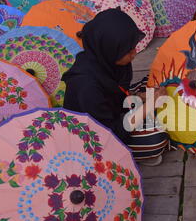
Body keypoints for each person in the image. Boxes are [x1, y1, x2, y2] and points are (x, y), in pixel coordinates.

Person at [62, 9, 169, 166]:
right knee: (156, 138)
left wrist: (139, 97)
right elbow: (110, 133)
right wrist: (149, 106)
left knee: (150, 83)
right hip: (98, 138)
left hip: (115, 111)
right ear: (109, 47)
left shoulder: (108, 60)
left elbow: (118, 94)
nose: (134, 53)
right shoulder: (86, 86)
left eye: (133, 46)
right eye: (127, 50)